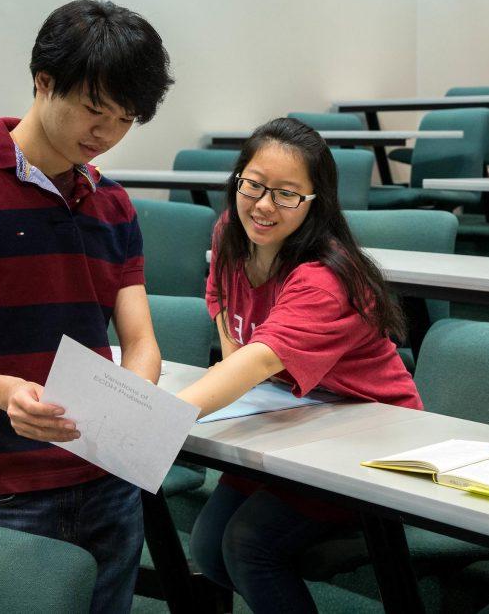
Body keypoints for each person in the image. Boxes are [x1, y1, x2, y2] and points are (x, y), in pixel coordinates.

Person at [0, 0, 173, 613]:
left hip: (108, 482)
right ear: (43, 81)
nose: (105, 135)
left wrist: (136, 405)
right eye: (94, 110)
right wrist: (7, 393)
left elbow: (140, 340)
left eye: (125, 119)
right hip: (3, 486)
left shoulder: (115, 205)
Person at [179, 117, 421, 613]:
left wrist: (156, 414)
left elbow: (262, 358)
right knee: (207, 546)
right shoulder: (231, 229)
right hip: (291, 414)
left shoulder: (322, 280)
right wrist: (238, 379)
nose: (264, 205)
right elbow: (222, 303)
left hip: (369, 433)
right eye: (254, 185)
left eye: (287, 194)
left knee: (249, 546)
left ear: (316, 203)